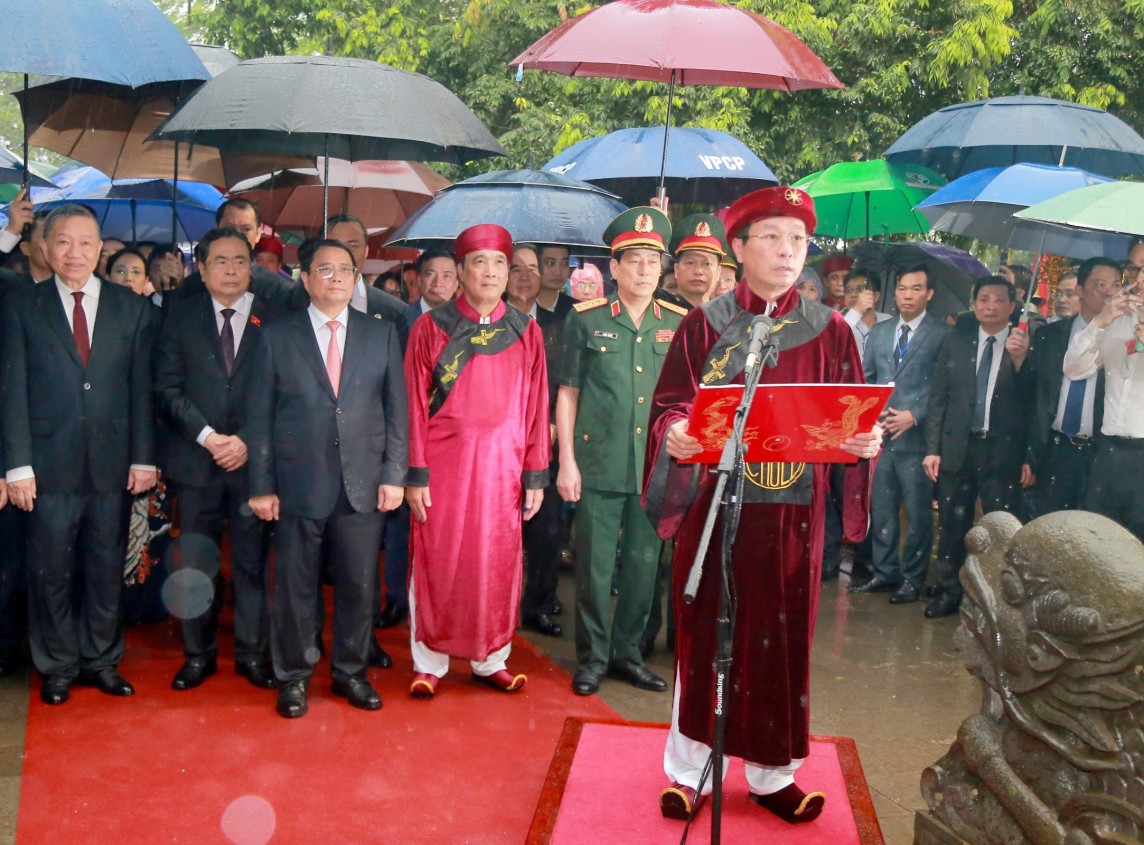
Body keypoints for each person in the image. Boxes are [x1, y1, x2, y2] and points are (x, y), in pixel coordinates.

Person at [644, 187, 881, 824]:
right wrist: (675, 432)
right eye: (772, 237)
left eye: (797, 240)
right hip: (714, 509)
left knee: (781, 641)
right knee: (705, 634)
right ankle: (689, 771)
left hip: (793, 515)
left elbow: (852, 416)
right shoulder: (705, 324)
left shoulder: (831, 330)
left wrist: (863, 441)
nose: (786, 250)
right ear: (740, 248)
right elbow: (670, 404)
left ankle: (774, 775)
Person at [1, 204, 157, 705]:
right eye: (63, 241)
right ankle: (58, 664)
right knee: (49, 569)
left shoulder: (130, 308)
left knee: (106, 565)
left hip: (113, 462)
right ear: (45, 247)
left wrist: (144, 457)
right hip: (46, 465)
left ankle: (102, 660)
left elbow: (142, 389)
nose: (75, 252)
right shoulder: (22, 304)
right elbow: (11, 390)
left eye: (86, 242)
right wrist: (17, 465)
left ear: (100, 249)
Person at [246, 238, 407, 718]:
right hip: (297, 482)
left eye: (344, 270)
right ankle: (293, 676)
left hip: (364, 481)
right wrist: (261, 485)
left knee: (359, 585)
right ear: (305, 278)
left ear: (356, 279)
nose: (335, 278)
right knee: (295, 585)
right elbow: (259, 418)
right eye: (324, 269)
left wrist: (394, 474)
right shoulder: (277, 335)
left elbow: (396, 413)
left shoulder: (381, 333)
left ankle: (350, 672)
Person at [404, 224, 549, 698]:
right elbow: (412, 405)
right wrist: (415, 472)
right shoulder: (431, 328)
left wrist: (535, 474)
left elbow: (537, 406)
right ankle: (429, 661)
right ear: (461, 272)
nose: (490, 272)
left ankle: (491, 658)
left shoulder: (527, 331)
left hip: (503, 472)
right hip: (443, 469)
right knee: (438, 560)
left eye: (499, 263)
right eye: (479, 262)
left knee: (496, 563)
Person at [557, 207, 687, 698]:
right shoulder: (586, 319)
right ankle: (591, 659)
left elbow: (687, 397)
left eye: (653, 261)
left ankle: (628, 656)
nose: (645, 270)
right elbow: (568, 393)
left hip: (654, 468)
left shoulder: (678, 322)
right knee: (593, 569)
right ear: (614, 267)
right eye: (634, 261)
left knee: (642, 567)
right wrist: (567, 462)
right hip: (598, 464)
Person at [154, 227, 285, 692]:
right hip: (196, 461)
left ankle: (252, 655)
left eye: (240, 261)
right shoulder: (179, 316)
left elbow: (285, 391)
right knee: (195, 564)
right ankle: (198, 655)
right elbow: (167, 387)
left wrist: (247, 440)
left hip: (254, 465)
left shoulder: (276, 318)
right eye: (221, 262)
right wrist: (209, 437)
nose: (231, 270)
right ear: (202, 269)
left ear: (252, 269)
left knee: (252, 564)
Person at [923, 276, 1031, 618]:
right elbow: (938, 398)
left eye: (999, 300)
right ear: (975, 304)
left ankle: (995, 599)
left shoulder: (1024, 343)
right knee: (952, 526)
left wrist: (1020, 359)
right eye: (984, 298)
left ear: (1012, 307)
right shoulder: (956, 342)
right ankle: (949, 592)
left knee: (1000, 528)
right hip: (959, 447)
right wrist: (933, 448)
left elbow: (1034, 401)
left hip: (1003, 451)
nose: (991, 306)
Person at [850, 265, 950, 603]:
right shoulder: (880, 331)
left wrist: (915, 415)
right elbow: (867, 378)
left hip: (918, 439)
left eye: (916, 289)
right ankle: (885, 571)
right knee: (882, 509)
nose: (908, 295)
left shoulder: (942, 334)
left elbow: (945, 386)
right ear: (894, 293)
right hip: (881, 436)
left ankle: (913, 578)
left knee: (919, 513)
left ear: (929, 294)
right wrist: (871, 415)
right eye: (903, 288)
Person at [1021, 258, 1116, 520]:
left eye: (1115, 286)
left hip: (1100, 453)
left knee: (1091, 530)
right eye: (1100, 285)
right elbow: (1033, 397)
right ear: (1080, 290)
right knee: (1048, 528)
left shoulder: (1123, 338)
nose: (1109, 293)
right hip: (1054, 449)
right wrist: (1028, 454)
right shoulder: (1050, 336)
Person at [1063, 246, 1144, 541]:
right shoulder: (1117, 317)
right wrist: (1100, 322)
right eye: (1134, 269)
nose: (1139, 278)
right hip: (1109, 452)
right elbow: (1074, 369)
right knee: (1100, 546)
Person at [508, 243, 565, 638]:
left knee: (548, 533)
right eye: (516, 268)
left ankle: (539, 605)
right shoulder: (486, 322)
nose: (526, 276)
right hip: (498, 446)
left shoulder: (561, 322)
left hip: (546, 443)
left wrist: (554, 424)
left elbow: (570, 383)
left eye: (533, 268)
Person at [669, 214, 726, 310]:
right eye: (690, 263)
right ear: (676, 270)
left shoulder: (729, 318)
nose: (698, 271)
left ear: (718, 272)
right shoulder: (658, 314)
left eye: (707, 264)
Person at [404, 247, 458, 329]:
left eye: (446, 276)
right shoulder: (401, 319)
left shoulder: (468, 323)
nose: (437, 283)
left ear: (456, 284)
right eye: (431, 274)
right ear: (419, 280)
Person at [537, 244, 574, 317]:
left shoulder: (576, 311)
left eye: (564, 263)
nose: (558, 272)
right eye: (550, 263)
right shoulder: (519, 305)